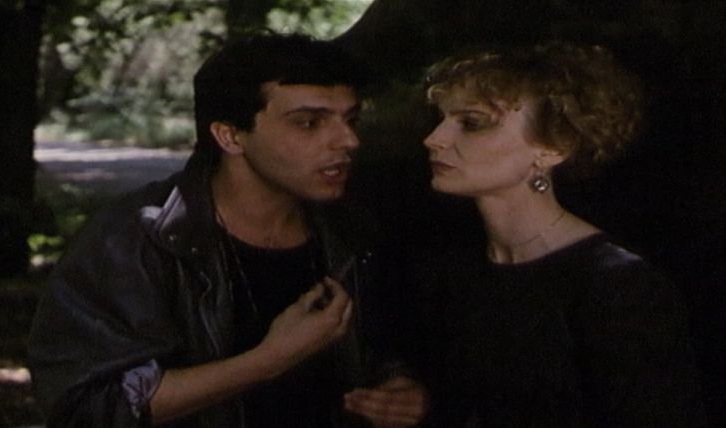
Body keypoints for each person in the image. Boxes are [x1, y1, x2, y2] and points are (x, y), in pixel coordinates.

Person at [27, 33, 426, 428]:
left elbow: (387, 349)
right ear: (230, 136)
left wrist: (401, 390)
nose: (348, 140)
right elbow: (88, 405)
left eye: (351, 120)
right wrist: (266, 360)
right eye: (309, 123)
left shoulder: (354, 231)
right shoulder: (137, 240)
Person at [417, 42, 705, 426]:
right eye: (441, 119)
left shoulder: (617, 287)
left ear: (553, 148)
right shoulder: (452, 268)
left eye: (472, 123)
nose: (434, 138)